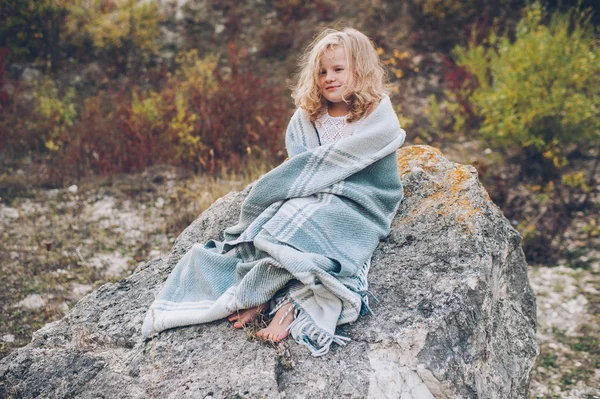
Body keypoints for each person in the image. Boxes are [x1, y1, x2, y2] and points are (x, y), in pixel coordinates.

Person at [142, 27, 406, 356]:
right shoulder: (310, 117)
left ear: (361, 70)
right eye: (322, 71)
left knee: (316, 225)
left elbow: (372, 175)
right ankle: (257, 291)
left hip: (357, 200)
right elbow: (302, 168)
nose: (329, 78)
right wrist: (301, 190)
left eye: (339, 69)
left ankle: (291, 306)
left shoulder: (374, 115)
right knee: (271, 225)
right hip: (311, 195)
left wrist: (325, 189)